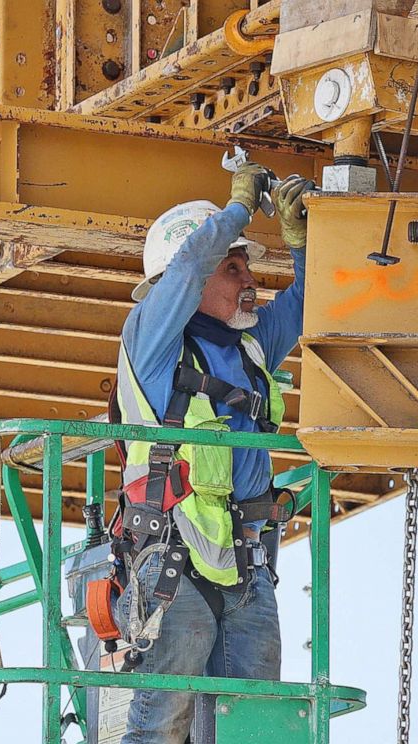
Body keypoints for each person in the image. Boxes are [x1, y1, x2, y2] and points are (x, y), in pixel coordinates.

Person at [111, 163, 312, 743]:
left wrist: (302, 244)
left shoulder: (249, 346)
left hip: (247, 567)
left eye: (247, 263)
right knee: (162, 723)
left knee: (255, 723)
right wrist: (236, 212)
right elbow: (188, 266)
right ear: (193, 284)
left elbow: (309, 301)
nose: (249, 277)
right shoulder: (151, 344)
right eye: (234, 266)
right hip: (173, 564)